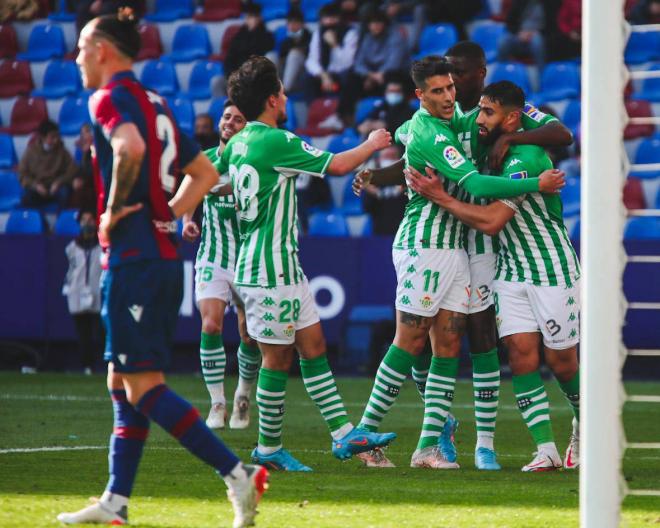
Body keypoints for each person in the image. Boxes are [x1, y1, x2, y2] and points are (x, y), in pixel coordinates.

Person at [57, 11, 268, 527]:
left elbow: (127, 149)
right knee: (120, 381)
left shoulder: (108, 98)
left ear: (104, 49)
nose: (77, 57)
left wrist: (112, 213)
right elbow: (204, 172)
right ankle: (116, 501)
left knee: (143, 385)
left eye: (83, 47)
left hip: (135, 261)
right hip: (157, 257)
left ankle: (237, 473)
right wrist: (165, 215)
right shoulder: (158, 103)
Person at [353, 43, 573, 470]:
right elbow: (410, 149)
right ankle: (426, 431)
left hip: (484, 238)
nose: (452, 86)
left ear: (479, 74)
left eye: (458, 76)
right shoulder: (437, 121)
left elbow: (562, 134)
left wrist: (511, 135)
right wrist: (378, 170)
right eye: (444, 80)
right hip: (443, 236)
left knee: (474, 337)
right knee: (424, 340)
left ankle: (480, 444)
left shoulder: (496, 112)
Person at [223, 55, 397, 471]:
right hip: (268, 271)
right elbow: (336, 165)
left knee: (314, 346)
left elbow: (218, 176)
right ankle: (268, 448)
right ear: (271, 99)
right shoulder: (274, 140)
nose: (286, 96)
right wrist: (373, 144)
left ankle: (343, 435)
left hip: (281, 266)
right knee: (277, 359)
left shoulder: (238, 142)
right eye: (282, 91)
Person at [405, 80, 581, 472]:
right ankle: (546, 450)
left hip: (551, 269)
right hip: (511, 270)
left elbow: (490, 222)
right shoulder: (493, 149)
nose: (479, 118)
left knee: (563, 363)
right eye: (480, 110)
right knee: (520, 356)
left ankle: (584, 423)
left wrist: (442, 198)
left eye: (488, 112)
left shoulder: (527, 157)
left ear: (512, 118)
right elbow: (409, 131)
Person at [182, 100, 262, 431]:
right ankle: (217, 402)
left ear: (248, 127)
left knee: (249, 334)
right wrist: (187, 220)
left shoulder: (253, 162)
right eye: (227, 116)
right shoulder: (207, 161)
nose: (230, 122)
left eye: (239, 119)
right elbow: (189, 191)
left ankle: (243, 393)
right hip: (213, 256)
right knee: (211, 325)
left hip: (248, 259)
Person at [338, 9, 409, 125]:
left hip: (393, 74)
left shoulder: (396, 37)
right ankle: (345, 116)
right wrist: (370, 75)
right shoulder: (367, 38)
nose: (375, 26)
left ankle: (389, 118)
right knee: (351, 77)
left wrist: (378, 75)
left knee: (392, 76)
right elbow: (359, 63)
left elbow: (394, 63)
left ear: (385, 24)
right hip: (373, 76)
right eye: (372, 23)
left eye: (378, 23)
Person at [63, 210, 104, 375]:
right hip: (78, 291)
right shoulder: (72, 247)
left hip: (97, 291)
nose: (87, 223)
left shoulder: (102, 246)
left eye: (90, 219)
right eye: (84, 220)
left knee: (100, 332)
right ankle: (87, 365)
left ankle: (102, 365)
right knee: (83, 333)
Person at [19, 120, 79, 211]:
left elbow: (72, 169)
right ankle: (37, 221)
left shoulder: (62, 151)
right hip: (39, 187)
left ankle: (61, 219)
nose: (56, 140)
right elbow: (22, 174)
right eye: (52, 137)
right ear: (43, 137)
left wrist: (59, 182)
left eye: (57, 136)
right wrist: (36, 185)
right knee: (27, 197)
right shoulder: (31, 152)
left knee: (65, 192)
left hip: (56, 187)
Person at [304, 2, 358, 100]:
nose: (329, 22)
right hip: (324, 74)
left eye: (333, 18)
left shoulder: (350, 34)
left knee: (347, 77)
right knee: (307, 78)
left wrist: (334, 45)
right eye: (326, 18)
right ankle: (313, 110)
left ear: (340, 19)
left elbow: (347, 63)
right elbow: (311, 60)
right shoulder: (318, 33)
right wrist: (323, 75)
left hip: (341, 74)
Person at [361, 144, 407, 235]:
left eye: (393, 157)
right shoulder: (372, 182)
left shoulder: (407, 182)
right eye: (386, 157)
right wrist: (372, 192)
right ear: (379, 160)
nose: (389, 160)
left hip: (403, 233)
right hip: (380, 234)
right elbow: (366, 208)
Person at [223, 3, 275, 79]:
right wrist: (231, 75)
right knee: (217, 82)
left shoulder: (267, 36)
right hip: (236, 75)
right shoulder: (239, 35)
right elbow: (230, 57)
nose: (247, 19)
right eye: (247, 16)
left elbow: (261, 57)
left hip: (253, 76)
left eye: (251, 16)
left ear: (259, 18)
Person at [278, 7, 311, 94]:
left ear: (302, 24)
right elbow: (281, 58)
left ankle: (284, 91)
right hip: (285, 71)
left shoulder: (310, 37)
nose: (292, 25)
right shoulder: (286, 41)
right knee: (270, 56)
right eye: (289, 22)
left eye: (295, 22)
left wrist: (298, 50)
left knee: (294, 54)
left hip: (304, 71)